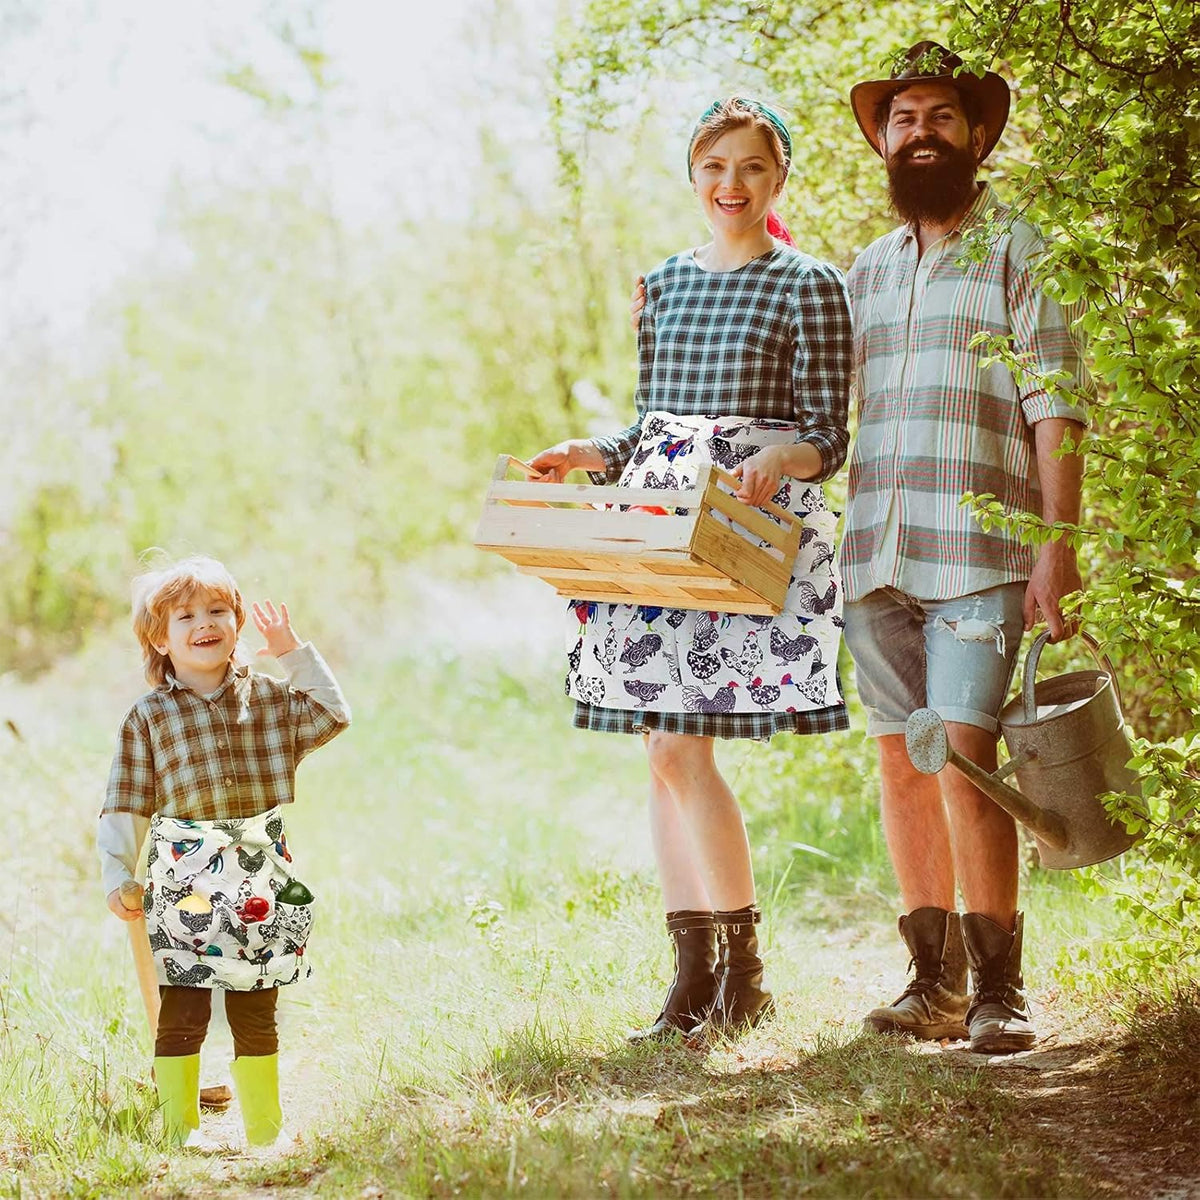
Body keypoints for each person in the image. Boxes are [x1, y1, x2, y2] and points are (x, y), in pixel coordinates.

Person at [530, 98, 853, 1041]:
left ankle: (743, 975)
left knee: (679, 749)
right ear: (693, 175)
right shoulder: (664, 283)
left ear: (778, 178)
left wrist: (780, 458)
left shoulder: (809, 285)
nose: (731, 184)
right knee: (661, 750)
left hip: (743, 522)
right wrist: (589, 452)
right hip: (657, 516)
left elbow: (828, 436)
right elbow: (650, 427)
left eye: (751, 166)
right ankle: (694, 979)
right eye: (714, 166)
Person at [841, 43, 1089, 1053]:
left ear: (977, 135)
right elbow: (809, 393)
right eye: (903, 119)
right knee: (904, 762)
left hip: (982, 554)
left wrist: (1057, 548)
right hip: (875, 554)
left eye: (940, 116)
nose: (921, 134)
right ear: (883, 141)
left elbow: (1057, 405)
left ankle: (1000, 993)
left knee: (968, 759)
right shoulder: (864, 270)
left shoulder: (1020, 248)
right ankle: (932, 985)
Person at [98, 555, 350, 1146]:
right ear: (160, 640)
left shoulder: (269, 699)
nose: (203, 624)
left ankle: (264, 1131)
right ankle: (178, 1130)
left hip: (260, 878)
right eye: (184, 617)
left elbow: (333, 714)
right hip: (184, 881)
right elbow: (126, 801)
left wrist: (291, 651)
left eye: (216, 610)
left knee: (256, 1004)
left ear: (237, 623)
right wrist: (117, 874)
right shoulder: (149, 717)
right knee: (183, 1007)